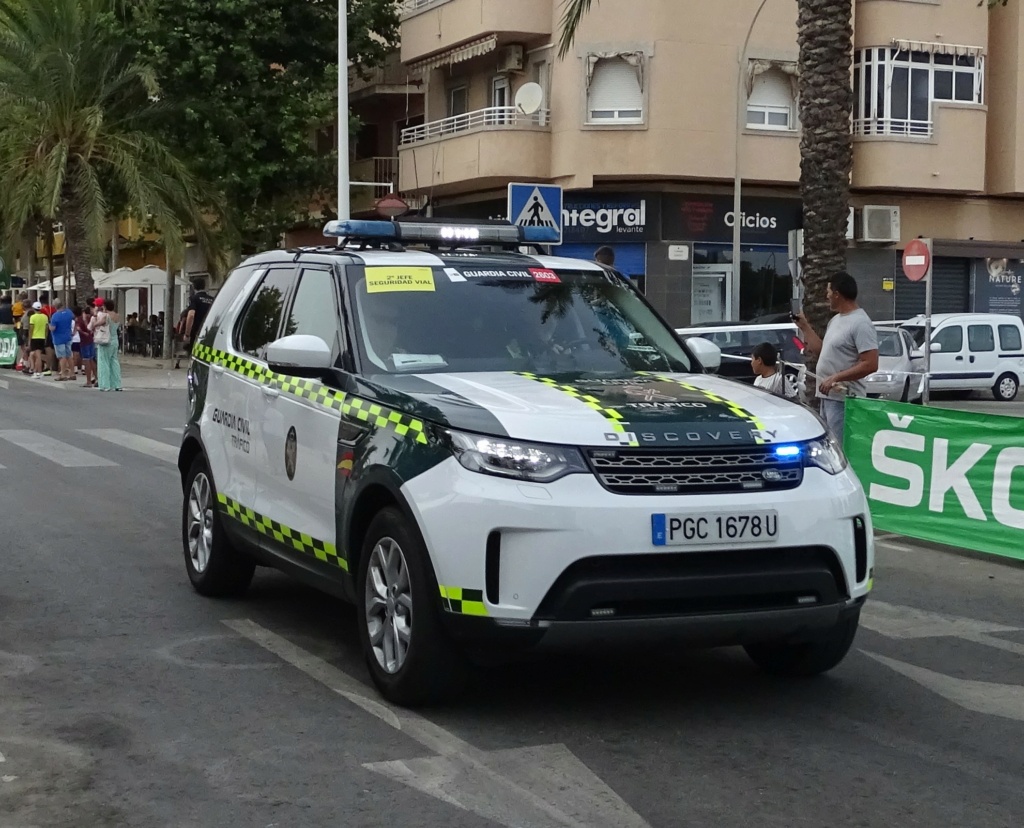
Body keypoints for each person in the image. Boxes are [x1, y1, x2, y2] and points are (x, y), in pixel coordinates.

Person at [794, 272, 879, 441]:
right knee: (829, 445)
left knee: (839, 447)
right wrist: (804, 327)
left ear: (837, 294)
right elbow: (822, 350)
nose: (827, 296)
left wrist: (835, 378)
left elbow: (871, 363)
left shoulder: (861, 323)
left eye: (829, 291)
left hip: (844, 399)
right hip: (828, 396)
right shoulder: (836, 320)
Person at [93, 298, 122, 391]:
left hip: (106, 340)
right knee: (114, 362)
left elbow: (96, 324)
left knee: (103, 362)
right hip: (115, 340)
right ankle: (117, 384)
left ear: (105, 307)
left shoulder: (106, 316)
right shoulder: (117, 316)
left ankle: (105, 385)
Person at [184, 278, 215, 351]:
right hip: (209, 332)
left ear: (194, 287)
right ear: (204, 286)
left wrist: (187, 334)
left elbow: (191, 315)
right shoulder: (212, 299)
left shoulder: (194, 298)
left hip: (197, 332)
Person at [48, 298, 76, 381]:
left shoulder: (55, 316)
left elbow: (52, 328)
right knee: (69, 356)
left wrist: (49, 325)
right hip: (68, 336)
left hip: (58, 338)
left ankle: (63, 374)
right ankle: (72, 373)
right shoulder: (69, 312)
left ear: (55, 306)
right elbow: (74, 319)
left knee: (62, 357)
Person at [27, 301, 49, 378]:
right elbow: (46, 329)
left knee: (38, 356)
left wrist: (29, 340)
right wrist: (45, 337)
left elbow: (31, 329)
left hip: (35, 337)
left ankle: (38, 372)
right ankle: (36, 371)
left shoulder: (32, 317)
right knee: (36, 355)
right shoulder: (45, 317)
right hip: (42, 337)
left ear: (34, 308)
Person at [77, 306, 97, 388]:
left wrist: (82, 331)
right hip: (91, 340)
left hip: (84, 342)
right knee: (91, 359)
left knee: (86, 360)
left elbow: (79, 328)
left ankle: (88, 381)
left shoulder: (81, 319)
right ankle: (96, 378)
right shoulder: (92, 318)